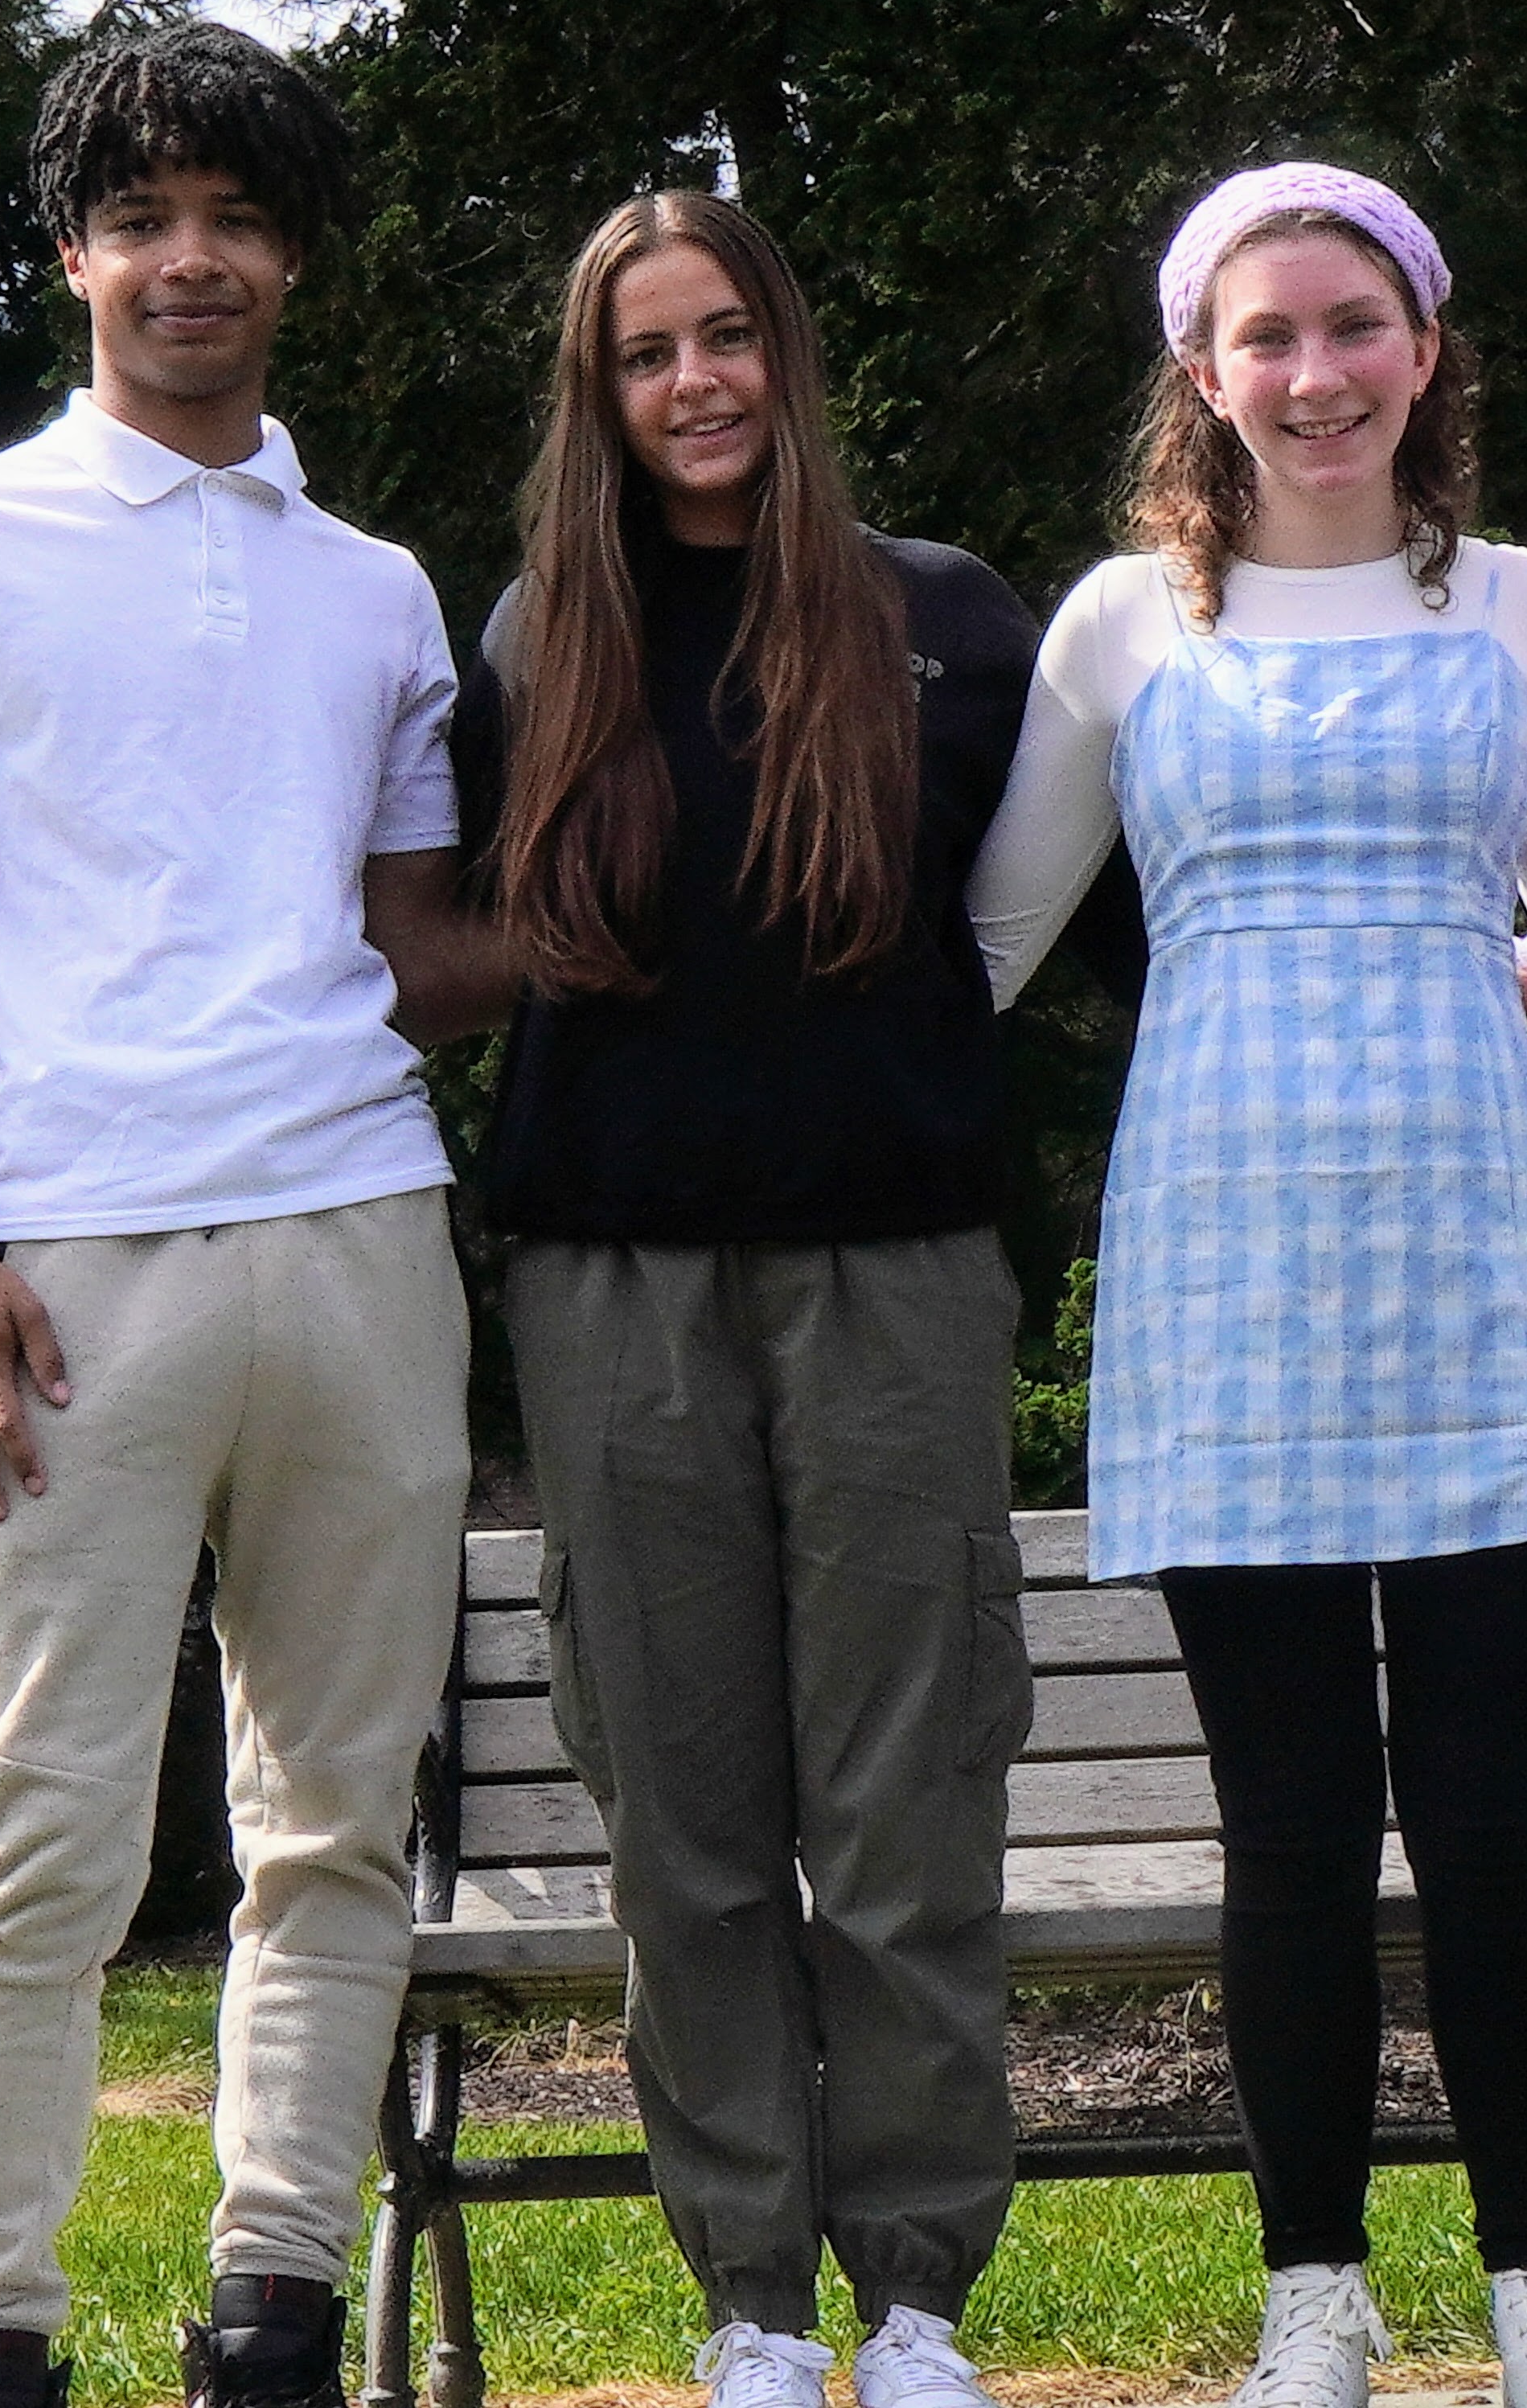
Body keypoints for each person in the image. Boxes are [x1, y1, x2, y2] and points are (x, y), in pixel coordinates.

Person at [0, 23, 470, 2408]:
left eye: (236, 216)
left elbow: (413, 941)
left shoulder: (382, 590)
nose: (191, 258)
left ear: (292, 254)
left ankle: (275, 2313)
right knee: (43, 1828)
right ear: (73, 247)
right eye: (144, 215)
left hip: (367, 1238)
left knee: (334, 1823)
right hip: (57, 1275)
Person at [965, 163, 1527, 2408]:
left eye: (1355, 323)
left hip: (1477, 1249)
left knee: (1486, 1811)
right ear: (1203, 367)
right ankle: (1313, 2293)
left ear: (1424, 345)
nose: (1317, 370)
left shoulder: (1519, 603)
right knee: (1283, 1823)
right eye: (1266, 335)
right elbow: (982, 948)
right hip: (1219, 1264)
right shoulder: (1114, 626)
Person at [427, 191, 1050, 2408]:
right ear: (597, 395)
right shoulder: (534, 641)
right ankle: (754, 2306)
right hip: (613, 1289)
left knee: (905, 1810)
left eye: (727, 338)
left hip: (895, 1276)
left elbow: (1034, 924)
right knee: (682, 1824)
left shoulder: (950, 625)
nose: (694, 383)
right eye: (644, 352)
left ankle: (911, 2298)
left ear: (787, 354)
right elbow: (458, 940)